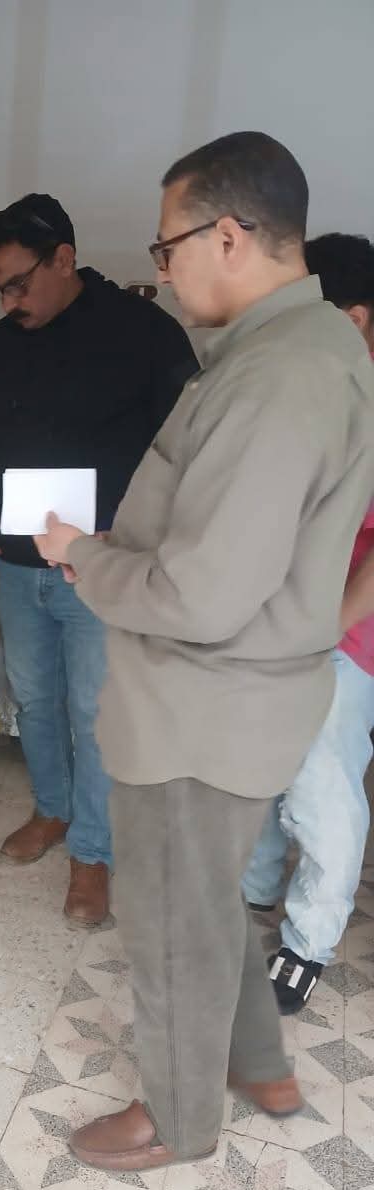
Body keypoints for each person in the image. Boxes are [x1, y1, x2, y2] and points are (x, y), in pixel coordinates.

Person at [34, 132, 374, 1170]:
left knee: (173, 923)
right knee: (209, 900)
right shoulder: (303, 349)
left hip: (202, 710)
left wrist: (84, 555)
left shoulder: (277, 376)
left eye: (167, 246)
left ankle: (178, 1122)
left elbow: (202, 592)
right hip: (233, 700)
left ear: (227, 236)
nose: (164, 270)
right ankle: (260, 1064)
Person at [0, 193, 197, 927]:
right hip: (18, 563)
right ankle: (53, 811)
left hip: (104, 565)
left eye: (18, 283)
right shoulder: (3, 341)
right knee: (35, 697)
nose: (9, 301)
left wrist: (146, 533)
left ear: (63, 259)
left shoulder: (144, 334)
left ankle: (93, 852)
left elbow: (187, 445)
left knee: (96, 709)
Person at [243, 233, 374, 1013]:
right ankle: (256, 886)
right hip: (285, 618)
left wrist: (326, 627)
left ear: (352, 319)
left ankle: (307, 942)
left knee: (324, 788)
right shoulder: (326, 392)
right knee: (260, 763)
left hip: (345, 635)